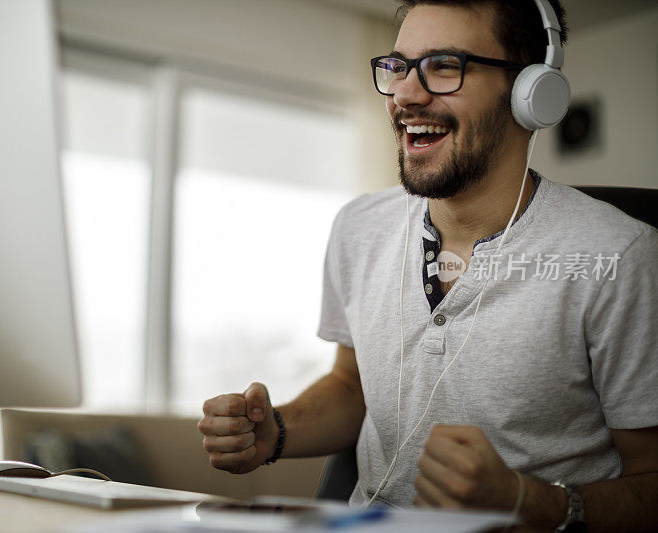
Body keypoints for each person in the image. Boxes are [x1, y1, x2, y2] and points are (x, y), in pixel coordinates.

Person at [197, 1, 658, 530]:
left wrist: (528, 502)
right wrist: (275, 430)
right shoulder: (359, 227)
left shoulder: (618, 256)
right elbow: (353, 388)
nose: (406, 95)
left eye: (444, 66)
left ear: (530, 92)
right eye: (398, 68)